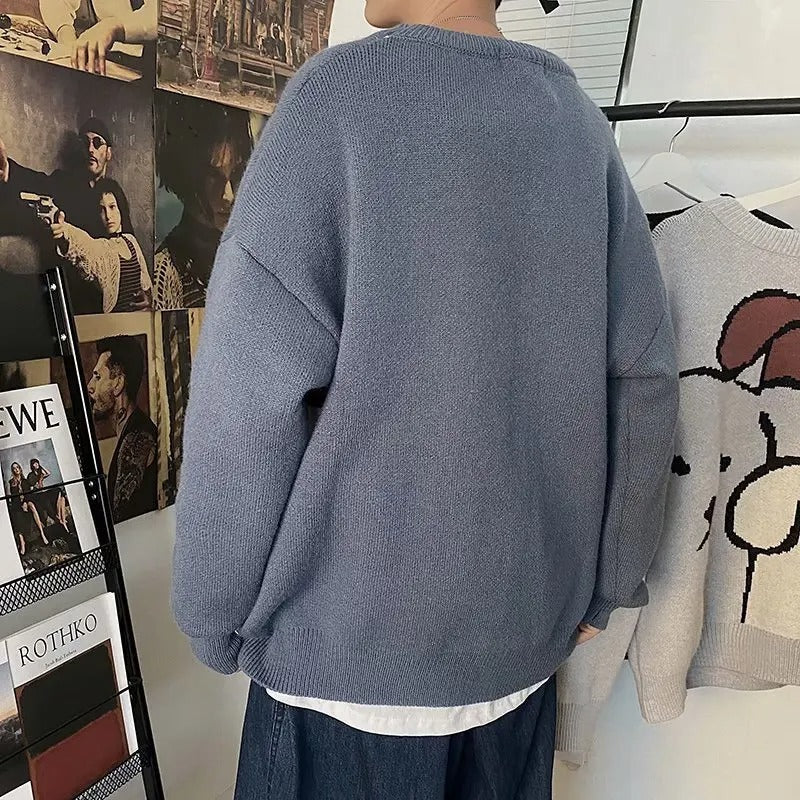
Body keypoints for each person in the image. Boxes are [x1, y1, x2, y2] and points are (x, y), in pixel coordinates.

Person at [172, 1, 679, 798]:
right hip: (516, 667)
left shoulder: (337, 101)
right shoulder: (580, 129)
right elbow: (643, 377)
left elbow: (248, 392)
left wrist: (212, 611)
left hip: (341, 678)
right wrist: (611, 580)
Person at [0, 117, 117, 314]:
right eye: (85, 142)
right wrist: (7, 171)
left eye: (97, 143)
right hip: (73, 299)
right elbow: (37, 182)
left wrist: (144, 294)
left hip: (109, 300)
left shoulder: (115, 195)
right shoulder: (64, 184)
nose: (90, 149)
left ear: (109, 153)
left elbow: (127, 242)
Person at [153, 96, 252, 309]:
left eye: (236, 172)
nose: (228, 196)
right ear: (189, 177)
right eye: (213, 176)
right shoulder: (165, 272)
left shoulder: (248, 257)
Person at [51, 177, 152, 312]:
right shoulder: (101, 247)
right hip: (114, 322)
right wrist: (64, 231)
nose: (108, 216)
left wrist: (147, 298)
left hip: (139, 320)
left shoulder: (131, 241)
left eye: (112, 207)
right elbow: (84, 246)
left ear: (121, 208)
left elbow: (146, 285)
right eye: (102, 209)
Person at [88, 335, 157, 523]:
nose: (90, 386)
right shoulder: (131, 430)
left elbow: (119, 518)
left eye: (97, 377)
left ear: (118, 384)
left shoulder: (137, 436)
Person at [38, 0, 156, 76]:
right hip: (110, 59)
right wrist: (66, 35)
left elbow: (161, 14)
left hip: (155, 64)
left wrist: (115, 26)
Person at [7, 462, 49, 555]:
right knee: (16, 515)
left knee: (32, 506)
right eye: (14, 468)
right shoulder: (11, 482)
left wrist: (25, 502)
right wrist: (20, 504)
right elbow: (13, 498)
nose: (16, 469)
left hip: (27, 501)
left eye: (17, 467)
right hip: (17, 504)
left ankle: (42, 534)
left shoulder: (25, 481)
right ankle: (22, 543)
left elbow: (28, 494)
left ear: (20, 469)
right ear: (13, 471)